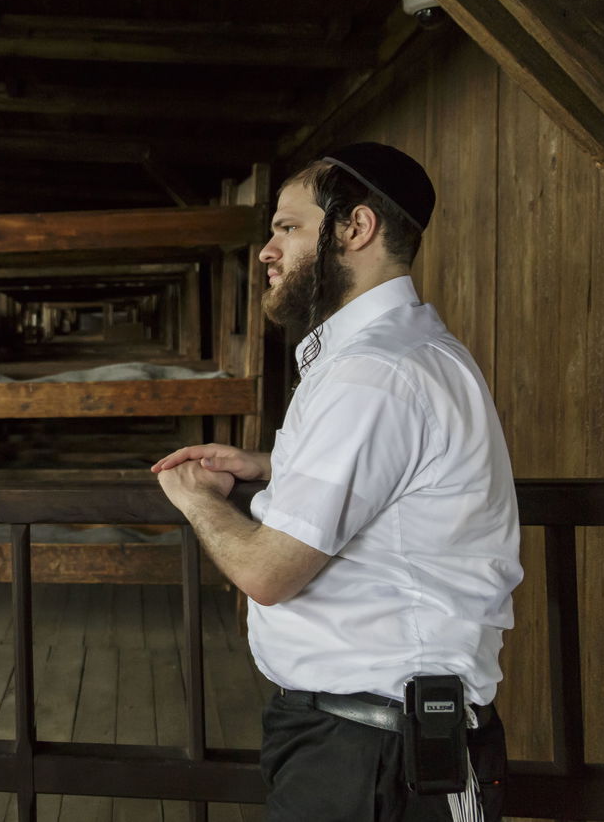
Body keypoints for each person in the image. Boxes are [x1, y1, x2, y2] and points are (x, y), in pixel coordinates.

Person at [151, 143, 522, 821]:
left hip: (381, 759)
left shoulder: (374, 374)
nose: (267, 250)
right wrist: (273, 466)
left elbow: (269, 572)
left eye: (287, 227)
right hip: (369, 743)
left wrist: (199, 501)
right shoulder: (407, 353)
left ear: (355, 229)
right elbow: (400, 471)